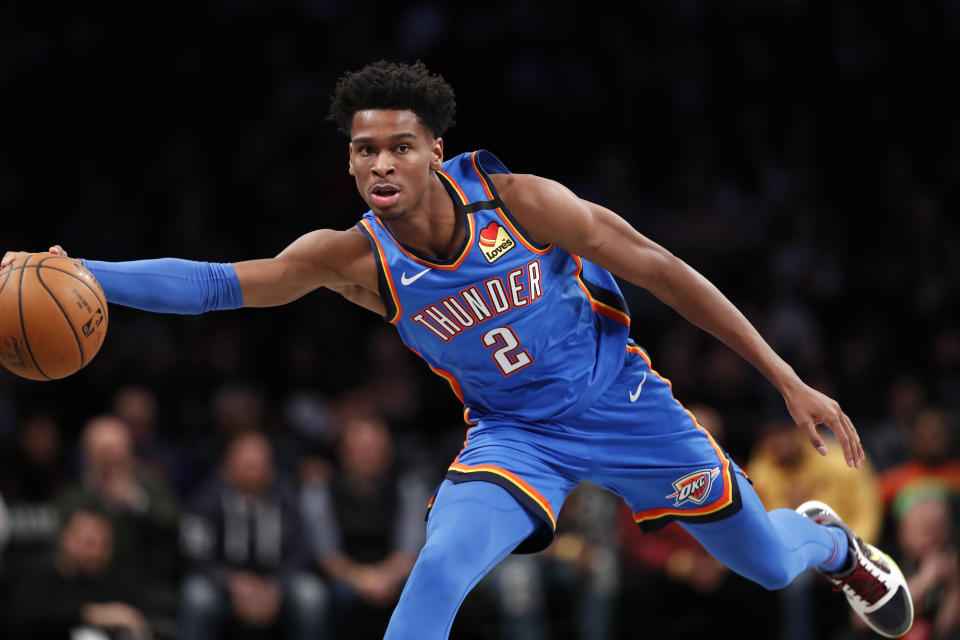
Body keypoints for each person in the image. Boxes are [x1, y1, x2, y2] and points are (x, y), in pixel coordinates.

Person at [2, 60, 913, 639]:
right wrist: (74, 267)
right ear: (351, 164)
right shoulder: (355, 258)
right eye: (365, 152)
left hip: (626, 409)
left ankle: (834, 553)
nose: (382, 165)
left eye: (400, 146)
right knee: (439, 567)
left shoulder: (522, 202)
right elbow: (214, 283)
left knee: (761, 561)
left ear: (436, 149)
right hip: (514, 437)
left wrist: (787, 380)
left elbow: (665, 271)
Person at [178, 430, 327, 640]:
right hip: (223, 583)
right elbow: (194, 554)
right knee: (196, 596)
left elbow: (302, 550)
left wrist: (276, 585)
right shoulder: (204, 503)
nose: (252, 472)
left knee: (311, 595)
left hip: (277, 582)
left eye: (258, 466)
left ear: (271, 469)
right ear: (227, 468)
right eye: (246, 466)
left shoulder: (288, 501)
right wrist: (231, 581)